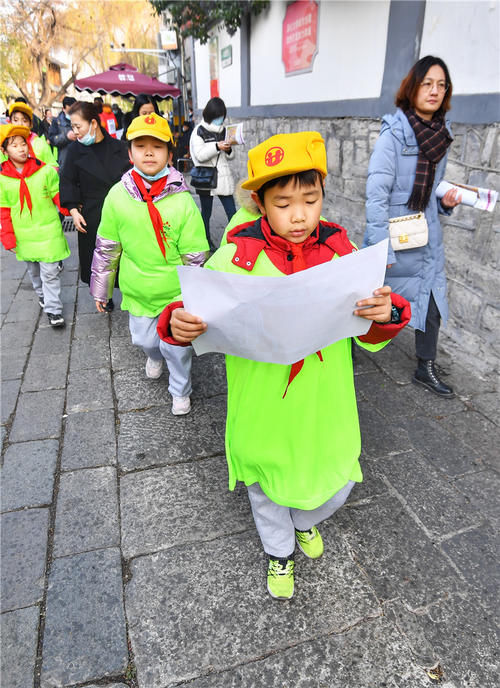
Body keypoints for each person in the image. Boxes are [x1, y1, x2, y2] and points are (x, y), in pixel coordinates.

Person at [158, 131, 411, 598]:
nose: (299, 215)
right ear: (258, 203)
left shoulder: (342, 254)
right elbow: (191, 310)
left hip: (323, 403)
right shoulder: (237, 256)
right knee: (268, 485)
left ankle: (305, 520)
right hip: (265, 404)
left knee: (335, 479)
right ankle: (279, 552)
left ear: (323, 197)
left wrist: (388, 312)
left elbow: (371, 326)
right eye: (283, 202)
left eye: (310, 200)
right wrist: (176, 322)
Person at [89, 113, 209, 415]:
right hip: (138, 289)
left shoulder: (182, 201)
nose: (149, 152)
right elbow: (107, 248)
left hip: (174, 293)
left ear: (170, 153)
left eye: (157, 146)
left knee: (177, 347)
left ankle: (180, 390)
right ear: (130, 154)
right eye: (140, 145)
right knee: (145, 340)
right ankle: (153, 355)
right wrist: (100, 290)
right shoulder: (117, 197)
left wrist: (197, 295)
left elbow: (194, 254)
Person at [363, 55, 461, 398]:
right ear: (413, 87)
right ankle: (347, 342)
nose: (434, 91)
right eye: (427, 83)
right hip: (395, 233)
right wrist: (381, 248)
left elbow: (432, 187)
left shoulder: (442, 136)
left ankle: (425, 365)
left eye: (441, 85)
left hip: (426, 233)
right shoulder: (394, 134)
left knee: (431, 296)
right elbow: (376, 195)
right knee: (372, 296)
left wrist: (444, 201)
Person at [59, 101, 130, 303]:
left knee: (124, 255)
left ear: (93, 123)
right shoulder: (74, 151)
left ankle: (130, 289)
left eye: (78, 126)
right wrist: (73, 210)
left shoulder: (119, 147)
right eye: (72, 127)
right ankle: (104, 296)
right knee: (98, 258)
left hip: (121, 211)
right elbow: (67, 180)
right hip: (91, 212)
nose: (75, 132)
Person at [0, 124, 70, 327]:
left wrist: (71, 210)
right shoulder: (3, 180)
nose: (21, 148)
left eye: (23, 144)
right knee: (34, 272)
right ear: (4, 151)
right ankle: (42, 296)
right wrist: (8, 237)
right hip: (24, 236)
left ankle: (53, 310)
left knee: (49, 272)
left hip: (49, 231)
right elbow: (4, 212)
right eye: (14, 146)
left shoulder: (45, 171)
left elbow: (58, 196)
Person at [189, 96, 236, 251]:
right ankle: (206, 241)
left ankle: (235, 239)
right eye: (217, 116)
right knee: (207, 213)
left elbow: (231, 157)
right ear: (210, 115)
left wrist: (228, 149)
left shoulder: (224, 131)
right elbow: (200, 155)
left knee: (232, 212)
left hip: (222, 177)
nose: (220, 119)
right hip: (206, 178)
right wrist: (216, 146)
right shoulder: (199, 131)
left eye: (221, 116)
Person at [2, 101, 58, 167]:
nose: (20, 124)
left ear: (30, 124)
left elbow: (53, 167)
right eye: (16, 120)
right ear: (10, 122)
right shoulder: (4, 144)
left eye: (24, 121)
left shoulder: (39, 143)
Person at [48, 96, 77, 170]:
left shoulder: (80, 119)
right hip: (64, 160)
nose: (71, 113)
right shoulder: (57, 122)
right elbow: (52, 139)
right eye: (69, 111)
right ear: (63, 109)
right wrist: (66, 137)